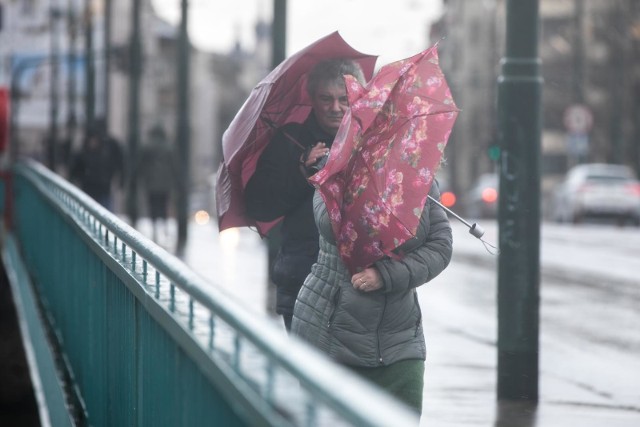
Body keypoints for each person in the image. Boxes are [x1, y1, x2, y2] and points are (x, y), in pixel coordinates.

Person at [291, 181, 453, 415]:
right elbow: (329, 225)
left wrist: (385, 275)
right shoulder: (335, 172)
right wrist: (366, 187)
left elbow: (440, 246)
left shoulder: (421, 176)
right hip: (332, 337)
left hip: (400, 340)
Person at [244, 59, 366, 332]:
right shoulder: (290, 139)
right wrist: (300, 171)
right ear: (312, 98)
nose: (336, 108)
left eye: (343, 99)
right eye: (326, 99)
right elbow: (259, 205)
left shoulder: (370, 141)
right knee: (309, 371)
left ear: (357, 97)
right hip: (302, 277)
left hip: (358, 286)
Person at [69, 123, 124, 211]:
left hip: (103, 189)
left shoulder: (106, 151)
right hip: (89, 189)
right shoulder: (83, 153)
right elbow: (75, 170)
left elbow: (117, 164)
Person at [138, 125, 177, 242]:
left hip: (151, 183)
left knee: (153, 206)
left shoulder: (147, 147)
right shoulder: (168, 147)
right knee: (163, 205)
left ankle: (154, 227)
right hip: (165, 184)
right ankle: (164, 226)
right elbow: (174, 166)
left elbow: (141, 165)